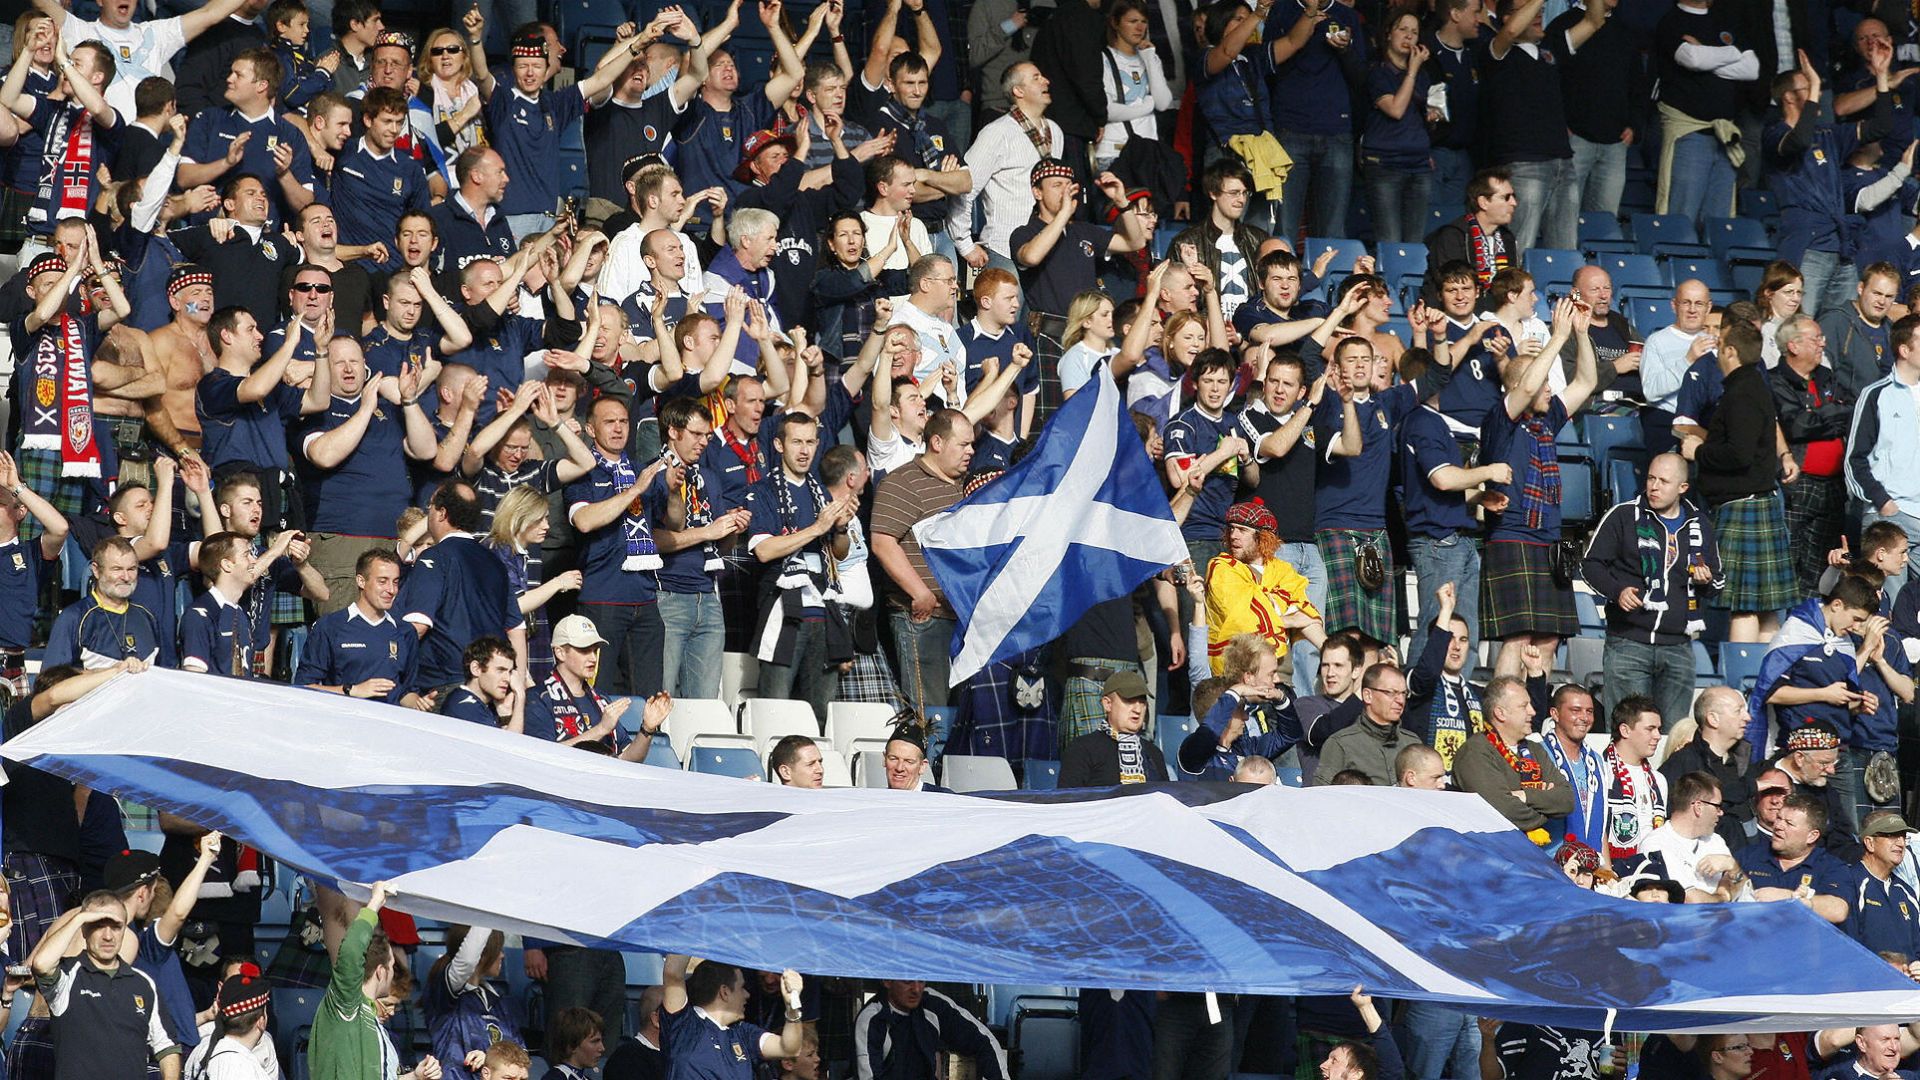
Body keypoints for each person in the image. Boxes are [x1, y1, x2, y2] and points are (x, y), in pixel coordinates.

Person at [1581, 452, 1723, 731]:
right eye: (1650, 478)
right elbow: (1591, 565)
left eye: (1664, 481)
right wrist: (1617, 590)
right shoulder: (1623, 515)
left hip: (1679, 648)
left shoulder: (1701, 526)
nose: (1654, 486)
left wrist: (1706, 580)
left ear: (1683, 488)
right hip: (1628, 645)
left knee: (1672, 739)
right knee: (1626, 735)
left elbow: (1716, 584)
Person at [1685, 320, 1797, 643]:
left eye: (1721, 346)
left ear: (1731, 351)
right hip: (1754, 504)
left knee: (1744, 607)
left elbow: (1739, 454)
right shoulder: (1751, 386)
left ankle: (1741, 685)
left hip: (1743, 508)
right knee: (1765, 609)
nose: (1718, 353)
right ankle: (1763, 684)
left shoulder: (1742, 393)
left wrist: (1700, 451)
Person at [745, 412, 857, 723]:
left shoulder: (821, 492)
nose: (804, 450)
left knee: (818, 714)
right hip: (786, 614)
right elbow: (765, 551)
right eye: (797, 442)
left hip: (823, 611)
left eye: (810, 442)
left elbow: (839, 555)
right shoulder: (763, 491)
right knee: (775, 711)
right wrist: (818, 528)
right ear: (779, 445)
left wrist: (840, 528)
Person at [870, 409, 973, 720]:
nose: (971, 451)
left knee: (961, 718)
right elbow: (882, 542)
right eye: (963, 445)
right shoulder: (903, 483)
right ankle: (927, 768)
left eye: (972, 445)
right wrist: (920, 593)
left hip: (962, 620)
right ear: (937, 442)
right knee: (930, 716)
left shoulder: (965, 486)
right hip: (924, 620)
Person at [28, 890, 181, 1080]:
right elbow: (41, 964)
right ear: (84, 930)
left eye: (116, 926)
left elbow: (167, 1046)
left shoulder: (143, 983)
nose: (108, 936)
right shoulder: (68, 976)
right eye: (98, 925)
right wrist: (79, 918)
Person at [1771, 315, 1855, 596]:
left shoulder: (1827, 377)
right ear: (1793, 345)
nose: (1823, 343)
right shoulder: (1775, 380)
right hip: (1798, 484)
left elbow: (1852, 410)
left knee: (1819, 568)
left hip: (1833, 486)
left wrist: (1819, 417)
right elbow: (1795, 424)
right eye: (1816, 338)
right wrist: (1832, 414)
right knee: (1788, 560)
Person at [1847, 313, 1920, 603]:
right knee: (1887, 607)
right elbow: (1854, 460)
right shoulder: (1876, 395)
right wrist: (1882, 502)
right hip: (1890, 516)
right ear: (1904, 350)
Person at [1451, 675, 1574, 844]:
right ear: (1500, 713)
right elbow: (1502, 810)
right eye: (1524, 706)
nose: (1533, 711)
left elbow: (1566, 799)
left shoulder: (1535, 749)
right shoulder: (1475, 752)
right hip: (1495, 855)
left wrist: (1525, 796)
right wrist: (1548, 808)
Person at [660, 957, 807, 1080]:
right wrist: (689, 926)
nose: (747, 995)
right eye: (742, 987)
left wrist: (792, 1005)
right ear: (725, 992)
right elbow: (673, 973)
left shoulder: (743, 1033)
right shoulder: (684, 1025)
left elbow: (789, 1048)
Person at [44, 536, 163, 669]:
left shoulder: (147, 616)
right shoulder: (74, 618)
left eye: (131, 569)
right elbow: (52, 680)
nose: (126, 577)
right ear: (96, 570)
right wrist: (110, 672)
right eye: (117, 569)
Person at [852, 980, 1006, 1080]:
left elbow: (985, 1042)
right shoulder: (871, 1020)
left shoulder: (933, 1005)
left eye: (921, 980)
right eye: (907, 981)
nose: (917, 989)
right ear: (887, 981)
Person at [1736, 793, 1851, 924]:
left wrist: (1790, 898)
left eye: (1789, 823)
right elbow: (1726, 896)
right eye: (1779, 818)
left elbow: (1838, 911)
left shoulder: (1830, 867)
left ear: (1812, 836)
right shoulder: (1749, 856)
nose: (1778, 826)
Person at [1662, 686, 1756, 846]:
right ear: (1713, 719)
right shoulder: (1682, 765)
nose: (1748, 717)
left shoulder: (1745, 763)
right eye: (1738, 711)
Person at [1631, 771, 1746, 901]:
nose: (1721, 813)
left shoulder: (1715, 841)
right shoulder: (1656, 845)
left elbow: (1743, 885)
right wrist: (1724, 896)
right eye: (1717, 806)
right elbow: (1690, 900)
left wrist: (1733, 866)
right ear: (1698, 807)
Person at [1420, 170, 1516, 305]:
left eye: (1513, 196)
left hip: (1499, 310)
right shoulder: (1453, 235)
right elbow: (1452, 286)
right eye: (1505, 197)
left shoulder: (1507, 238)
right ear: (1483, 202)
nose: (1513, 203)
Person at [1314, 664, 1420, 786]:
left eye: (1403, 694)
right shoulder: (1341, 744)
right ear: (1367, 695)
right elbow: (1321, 796)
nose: (1400, 701)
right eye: (1391, 693)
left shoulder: (1412, 743)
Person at [1059, 670, 1169, 787]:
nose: (1138, 710)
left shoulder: (1154, 753)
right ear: (1107, 704)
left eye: (1142, 702)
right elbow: (1068, 800)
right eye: (1129, 701)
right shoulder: (1082, 749)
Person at [1843, 810, 1920, 961]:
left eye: (1903, 837)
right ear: (1870, 843)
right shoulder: (1850, 882)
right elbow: (1847, 946)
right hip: (1870, 981)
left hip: (1907, 983)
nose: (1901, 843)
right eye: (1891, 835)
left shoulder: (1906, 892)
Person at [1603, 696, 1669, 863]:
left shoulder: (1658, 780)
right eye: (1650, 729)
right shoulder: (1601, 772)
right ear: (1625, 730)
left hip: (1652, 868)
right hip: (1613, 870)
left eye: (1659, 729)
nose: (1658, 736)